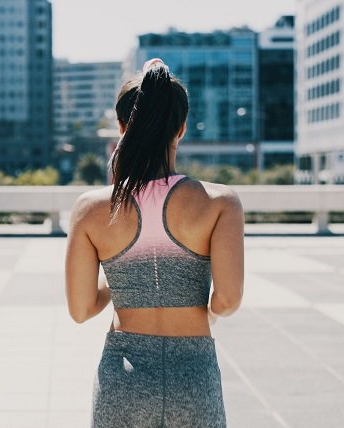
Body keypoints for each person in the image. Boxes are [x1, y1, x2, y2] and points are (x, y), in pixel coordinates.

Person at [65, 58, 244, 427]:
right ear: (180, 129)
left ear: (121, 127)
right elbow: (227, 300)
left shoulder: (92, 209)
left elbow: (81, 308)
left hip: (123, 375)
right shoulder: (219, 202)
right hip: (193, 374)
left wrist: (125, 276)